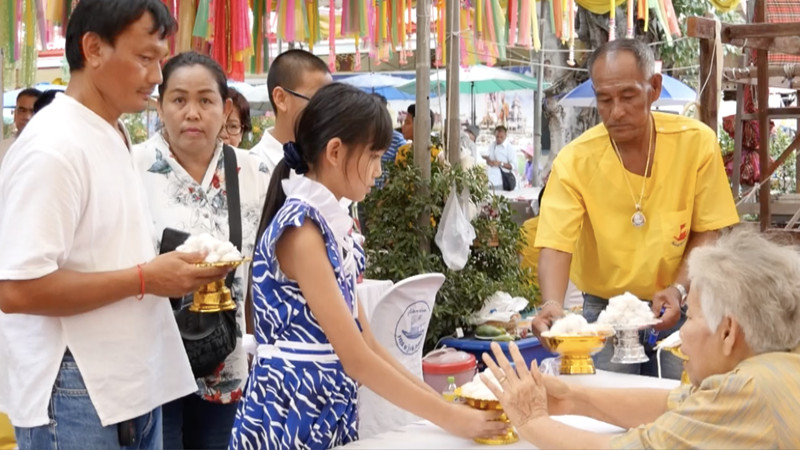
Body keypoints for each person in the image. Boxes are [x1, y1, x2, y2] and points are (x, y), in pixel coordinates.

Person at [0, 2, 231, 449]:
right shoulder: (53, 146)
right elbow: (15, 289)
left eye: (159, 58)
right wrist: (147, 278)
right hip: (75, 387)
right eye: (145, 58)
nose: (157, 75)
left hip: (126, 381)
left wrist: (165, 270)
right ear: (93, 49)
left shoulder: (110, 130)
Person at [229, 83, 506, 448]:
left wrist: (438, 406)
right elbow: (356, 358)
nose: (379, 170)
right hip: (292, 410)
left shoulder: (326, 224)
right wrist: (450, 416)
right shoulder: (303, 230)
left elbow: (368, 343)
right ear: (335, 151)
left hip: (321, 405)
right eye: (374, 156)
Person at [532, 39, 739, 379]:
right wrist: (552, 305)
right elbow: (556, 245)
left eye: (628, 96)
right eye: (604, 99)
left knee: (682, 403)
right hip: (605, 310)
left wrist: (679, 288)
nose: (616, 111)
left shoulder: (696, 144)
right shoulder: (574, 161)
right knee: (608, 411)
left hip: (683, 302)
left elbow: (708, 230)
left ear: (654, 88)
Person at [484, 227, 800, 449]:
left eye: (690, 317)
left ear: (729, 332)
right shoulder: (774, 366)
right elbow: (675, 406)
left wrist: (531, 422)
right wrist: (571, 398)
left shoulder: (749, 389)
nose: (683, 334)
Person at [132, 51, 269, 450]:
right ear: (159, 105)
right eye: (178, 100)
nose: (192, 112)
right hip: (152, 363)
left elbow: (261, 269)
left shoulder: (254, 173)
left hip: (225, 361)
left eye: (205, 100)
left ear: (225, 108)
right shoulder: (132, 166)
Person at [249, 49, 331, 177]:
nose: (326, 111)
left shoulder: (331, 163)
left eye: (330, 102)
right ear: (280, 99)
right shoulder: (250, 168)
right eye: (317, 100)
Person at [0, 88, 41, 164]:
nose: (27, 117)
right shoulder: (3, 149)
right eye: (22, 110)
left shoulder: (47, 151)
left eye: (33, 111)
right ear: (15, 114)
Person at [482, 125, 517, 191]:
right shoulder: (492, 145)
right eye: (497, 137)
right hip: (490, 180)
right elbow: (489, 161)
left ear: (505, 136)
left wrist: (500, 164)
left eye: (501, 137)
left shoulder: (509, 148)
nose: (499, 139)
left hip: (502, 181)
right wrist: (488, 160)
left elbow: (514, 166)